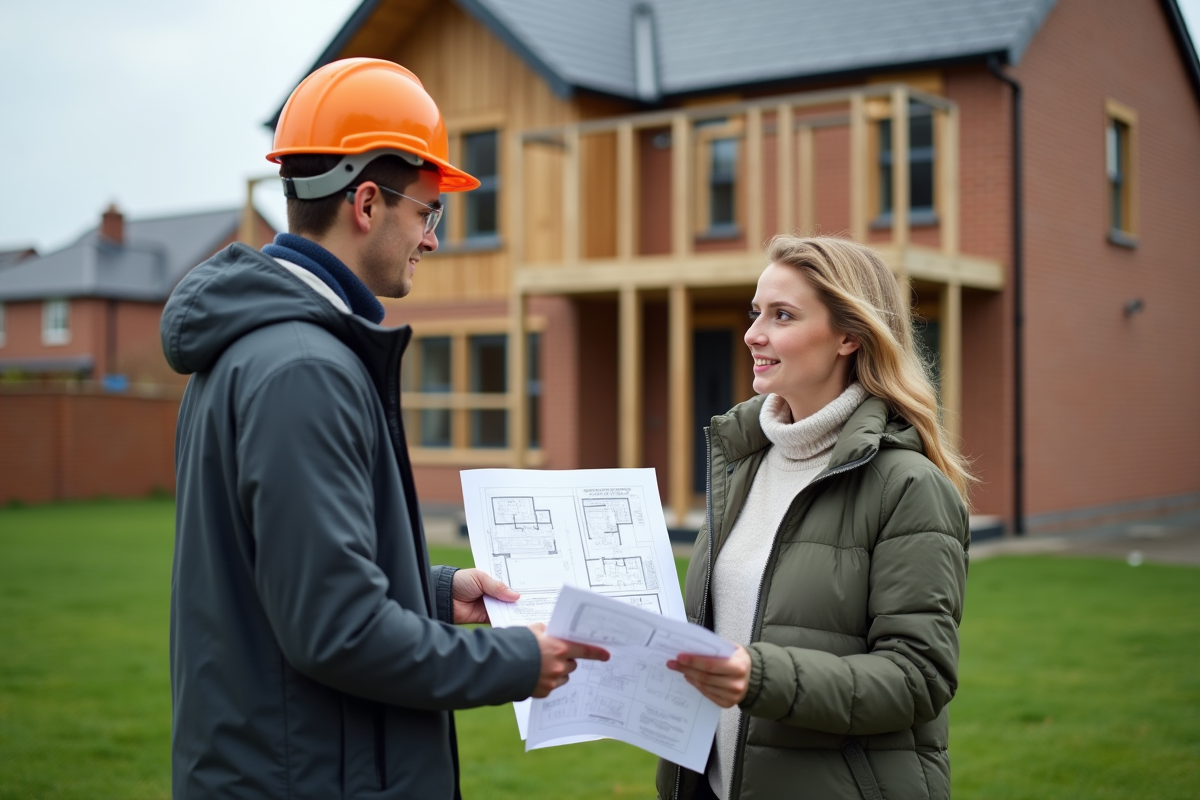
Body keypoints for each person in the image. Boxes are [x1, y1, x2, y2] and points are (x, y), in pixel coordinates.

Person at [162, 57, 607, 799]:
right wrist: (518, 663)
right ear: (367, 202)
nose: (433, 240)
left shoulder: (261, 349)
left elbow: (292, 578)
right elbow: (337, 629)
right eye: (429, 212)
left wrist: (435, 594)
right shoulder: (303, 367)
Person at [657, 235, 971, 800]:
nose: (754, 333)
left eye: (782, 315)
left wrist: (759, 676)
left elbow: (918, 678)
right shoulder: (743, 465)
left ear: (850, 335)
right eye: (756, 312)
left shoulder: (909, 487)